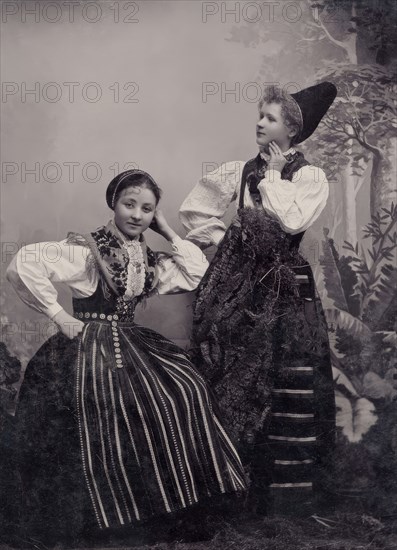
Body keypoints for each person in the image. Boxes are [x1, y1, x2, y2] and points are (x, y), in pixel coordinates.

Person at [2, 169, 247, 546]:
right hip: (86, 346)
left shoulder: (149, 257)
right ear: (113, 205)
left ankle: (162, 506)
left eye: (147, 209)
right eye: (128, 204)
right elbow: (23, 264)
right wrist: (60, 316)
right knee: (103, 410)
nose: (136, 215)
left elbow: (197, 274)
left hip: (131, 341)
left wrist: (168, 232)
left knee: (186, 388)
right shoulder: (87, 249)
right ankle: (103, 519)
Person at [179, 83, 337, 516]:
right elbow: (195, 211)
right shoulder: (238, 170)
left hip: (287, 285)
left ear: (291, 128)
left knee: (285, 369)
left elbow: (291, 221)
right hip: (240, 281)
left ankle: (287, 496)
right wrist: (229, 240)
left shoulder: (309, 177)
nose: (259, 123)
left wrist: (271, 178)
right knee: (230, 367)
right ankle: (229, 485)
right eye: (259, 115)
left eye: (269, 118)